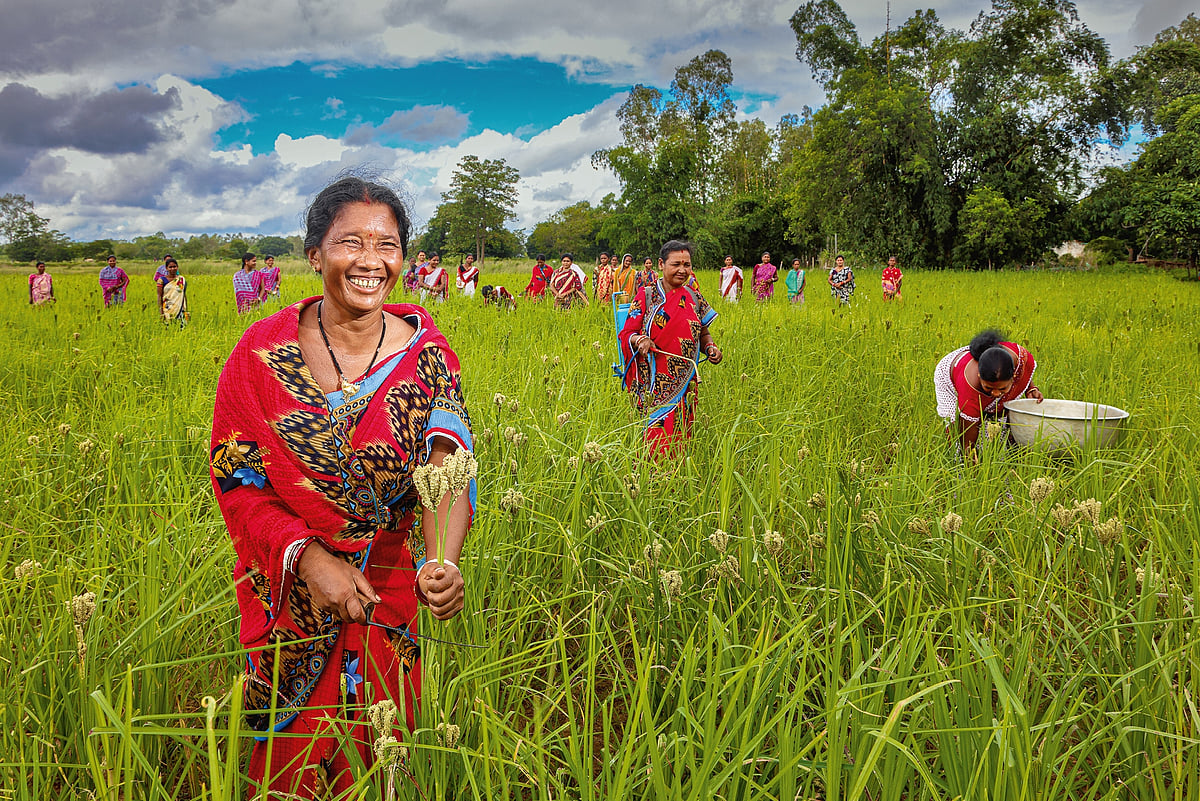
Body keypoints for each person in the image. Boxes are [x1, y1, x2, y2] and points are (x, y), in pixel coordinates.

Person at [209, 175, 474, 796]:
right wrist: (307, 559)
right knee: (284, 769)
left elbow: (447, 473)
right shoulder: (259, 355)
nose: (370, 260)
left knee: (381, 758)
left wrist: (442, 563)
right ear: (314, 255)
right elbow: (238, 479)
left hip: (385, 594)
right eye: (349, 242)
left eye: (387, 244)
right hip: (290, 602)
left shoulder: (430, 356)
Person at [618, 240, 722, 456]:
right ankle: (651, 482)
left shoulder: (694, 296)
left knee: (681, 436)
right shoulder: (646, 296)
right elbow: (627, 334)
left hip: (686, 383)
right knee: (654, 441)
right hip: (654, 383)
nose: (682, 270)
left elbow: (702, 331)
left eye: (687, 264)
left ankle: (677, 479)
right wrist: (641, 340)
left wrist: (710, 347)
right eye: (676, 264)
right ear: (661, 264)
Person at [934, 329, 1043, 452]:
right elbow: (967, 443)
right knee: (956, 431)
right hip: (949, 375)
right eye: (988, 388)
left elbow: (1023, 375)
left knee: (997, 437)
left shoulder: (1021, 359)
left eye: (1002, 388)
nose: (996, 394)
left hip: (988, 359)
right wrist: (969, 460)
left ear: (1013, 377)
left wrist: (1031, 387)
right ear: (980, 377)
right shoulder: (970, 386)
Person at [160, 257, 188, 326]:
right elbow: (159, 296)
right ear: (166, 268)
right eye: (170, 267)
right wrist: (161, 312)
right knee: (168, 328)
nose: (172, 269)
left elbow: (183, 295)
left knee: (181, 328)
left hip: (180, 309)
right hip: (167, 309)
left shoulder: (181, 279)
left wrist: (186, 310)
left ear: (177, 267)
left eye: (174, 266)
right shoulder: (162, 280)